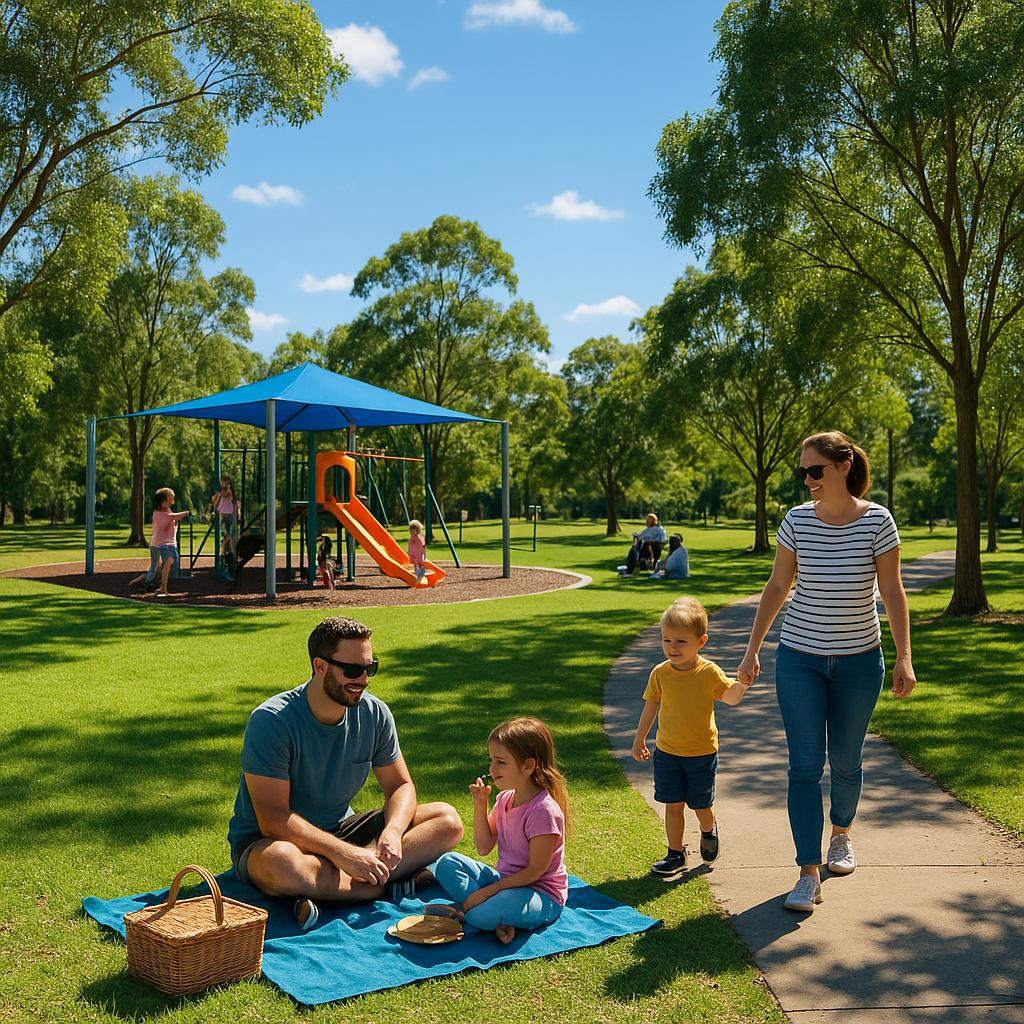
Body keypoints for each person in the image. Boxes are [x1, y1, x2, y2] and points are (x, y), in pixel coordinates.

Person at [736, 431, 916, 913]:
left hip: (860, 661)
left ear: (842, 466)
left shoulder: (877, 521)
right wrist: (752, 649)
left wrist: (904, 656)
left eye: (814, 470)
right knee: (803, 766)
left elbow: (892, 591)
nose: (808, 480)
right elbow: (777, 586)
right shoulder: (796, 521)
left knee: (846, 761)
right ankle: (807, 872)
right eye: (803, 472)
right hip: (799, 658)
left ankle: (841, 834)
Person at [226, 617, 464, 930]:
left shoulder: (375, 713)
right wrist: (345, 855)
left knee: (446, 820)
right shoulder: (272, 721)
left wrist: (392, 832)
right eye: (353, 670)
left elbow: (400, 786)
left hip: (344, 830)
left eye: (370, 668)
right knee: (282, 863)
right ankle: (382, 884)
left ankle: (330, 889)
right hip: (272, 841)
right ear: (320, 666)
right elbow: (273, 819)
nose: (363, 679)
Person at [632, 597, 750, 878]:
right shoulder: (660, 673)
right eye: (667, 640)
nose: (672, 648)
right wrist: (640, 739)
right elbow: (651, 705)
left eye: (681, 641)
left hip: (701, 753)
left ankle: (708, 829)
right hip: (667, 752)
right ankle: (675, 854)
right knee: (672, 804)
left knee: (700, 805)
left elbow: (730, 697)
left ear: (701, 641)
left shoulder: (708, 672)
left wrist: (743, 683)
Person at [433, 717, 569, 945]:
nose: (491, 769)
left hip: (540, 894)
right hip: (505, 883)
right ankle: (495, 914)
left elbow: (534, 872)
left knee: (480, 914)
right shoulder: (505, 798)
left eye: (500, 762)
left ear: (528, 766)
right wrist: (480, 805)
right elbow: (484, 848)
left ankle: (486, 911)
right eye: (491, 760)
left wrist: (486, 893)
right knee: (447, 863)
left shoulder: (543, 811)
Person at [128, 487, 189, 597]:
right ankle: (149, 583)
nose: (172, 497)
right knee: (159, 564)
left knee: (160, 565)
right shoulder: (159, 513)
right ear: (165, 499)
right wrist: (186, 513)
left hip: (166, 543)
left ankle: (147, 580)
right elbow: (172, 518)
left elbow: (172, 522)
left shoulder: (167, 511)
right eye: (170, 496)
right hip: (159, 544)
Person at [211, 476, 239, 555]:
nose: (222, 484)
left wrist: (220, 492)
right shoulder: (219, 493)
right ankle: (225, 551)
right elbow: (214, 500)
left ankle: (229, 552)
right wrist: (215, 497)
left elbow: (226, 495)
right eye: (222, 482)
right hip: (222, 514)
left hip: (228, 514)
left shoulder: (228, 491)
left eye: (224, 482)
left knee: (228, 535)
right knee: (226, 534)